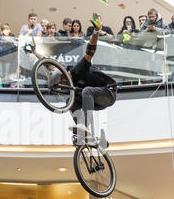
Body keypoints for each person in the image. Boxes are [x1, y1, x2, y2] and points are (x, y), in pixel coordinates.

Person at [29, 13, 117, 144]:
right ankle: (84, 132)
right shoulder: (63, 73)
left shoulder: (77, 70)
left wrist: (96, 31)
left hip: (108, 92)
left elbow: (90, 51)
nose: (63, 85)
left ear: (66, 75)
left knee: (86, 90)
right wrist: (34, 51)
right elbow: (49, 64)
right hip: (95, 100)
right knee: (71, 100)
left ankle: (84, 125)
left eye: (62, 81)